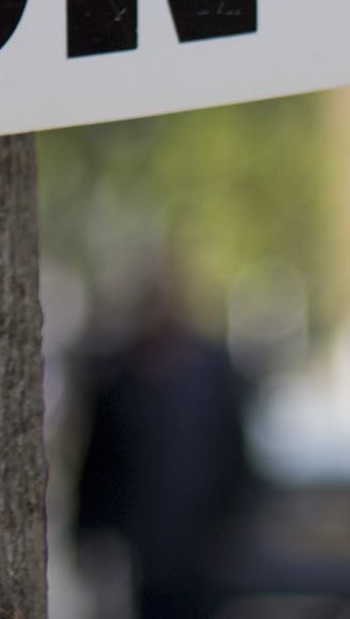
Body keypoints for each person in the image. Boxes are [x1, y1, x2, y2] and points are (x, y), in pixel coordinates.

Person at [72, 263, 255, 619]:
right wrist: (89, 532)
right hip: (144, 552)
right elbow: (98, 458)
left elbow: (236, 452)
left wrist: (236, 524)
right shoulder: (119, 374)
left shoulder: (215, 370)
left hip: (203, 549)